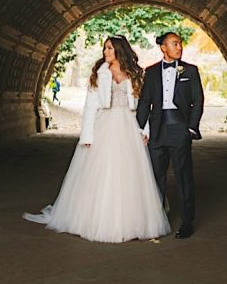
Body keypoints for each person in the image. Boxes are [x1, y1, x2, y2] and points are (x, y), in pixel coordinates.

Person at [23, 36, 170, 242]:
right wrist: (88, 136)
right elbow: (90, 107)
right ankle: (97, 220)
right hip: (105, 125)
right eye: (105, 48)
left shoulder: (135, 74)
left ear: (120, 51)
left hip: (129, 126)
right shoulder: (99, 74)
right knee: (103, 171)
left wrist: (144, 130)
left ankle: (132, 222)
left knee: (130, 172)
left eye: (109, 48)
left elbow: (144, 105)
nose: (105, 52)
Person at [136, 31, 204, 239]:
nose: (179, 47)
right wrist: (141, 129)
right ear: (163, 48)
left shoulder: (190, 71)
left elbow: (198, 101)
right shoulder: (151, 72)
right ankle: (156, 221)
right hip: (157, 130)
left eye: (180, 44)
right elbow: (145, 102)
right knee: (156, 177)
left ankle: (187, 222)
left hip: (179, 129)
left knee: (184, 176)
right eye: (174, 44)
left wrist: (191, 128)